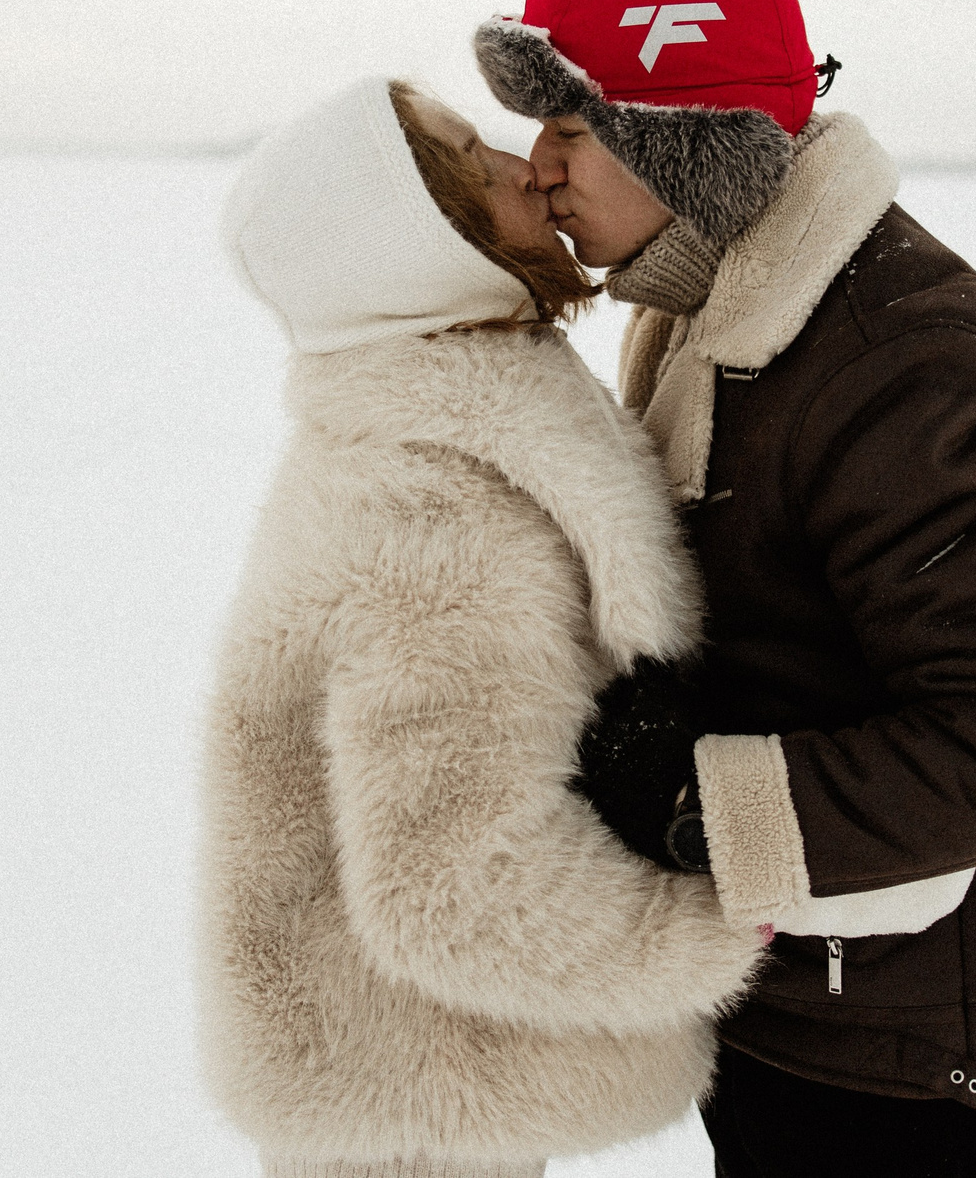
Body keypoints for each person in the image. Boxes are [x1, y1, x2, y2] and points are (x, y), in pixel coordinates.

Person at [473, 0, 976, 1178]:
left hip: (919, 1073)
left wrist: (686, 802)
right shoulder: (715, 303)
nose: (537, 169)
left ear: (685, 141)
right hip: (807, 1010)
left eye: (567, 128)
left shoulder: (895, 367)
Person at [200, 76, 769, 1178]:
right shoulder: (431, 507)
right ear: (413, 247)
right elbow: (452, 889)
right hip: (410, 1110)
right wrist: (724, 924)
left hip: (392, 1074)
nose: (525, 166)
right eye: (470, 165)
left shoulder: (427, 425)